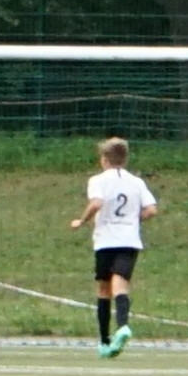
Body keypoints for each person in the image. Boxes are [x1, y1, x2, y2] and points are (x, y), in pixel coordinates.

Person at [70, 137, 157, 358]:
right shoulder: (136, 182)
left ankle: (104, 340)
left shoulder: (98, 180)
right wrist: (134, 219)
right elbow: (151, 210)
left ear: (104, 159)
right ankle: (123, 325)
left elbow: (97, 203)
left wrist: (82, 220)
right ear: (125, 159)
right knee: (121, 284)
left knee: (104, 288)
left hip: (106, 240)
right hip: (129, 240)